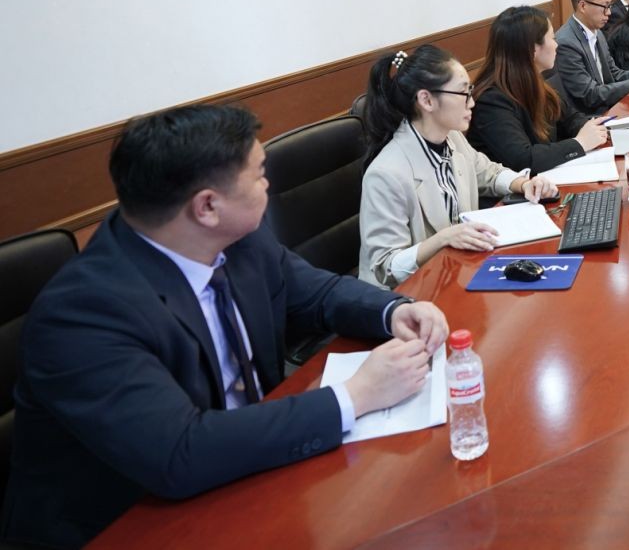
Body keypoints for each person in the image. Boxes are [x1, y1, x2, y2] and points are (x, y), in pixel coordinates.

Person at [2, 104, 449, 548]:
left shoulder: (236, 240)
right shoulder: (84, 315)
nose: (268, 185)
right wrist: (356, 395)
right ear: (208, 206)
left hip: (249, 472)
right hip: (131, 523)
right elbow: (180, 452)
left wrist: (393, 310)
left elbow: (317, 293)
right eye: (258, 175)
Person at [358, 44, 560, 287]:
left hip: (454, 272)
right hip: (409, 295)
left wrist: (524, 184)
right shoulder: (386, 173)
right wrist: (444, 238)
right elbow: (385, 267)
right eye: (463, 93)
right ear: (426, 100)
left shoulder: (452, 137)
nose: (472, 102)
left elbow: (488, 172)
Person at [467, 6, 610, 177]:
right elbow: (523, 159)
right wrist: (580, 143)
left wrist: (592, 129)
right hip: (516, 189)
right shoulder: (491, 100)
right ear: (532, 49)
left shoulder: (536, 82)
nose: (557, 45)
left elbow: (570, 119)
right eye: (553, 38)